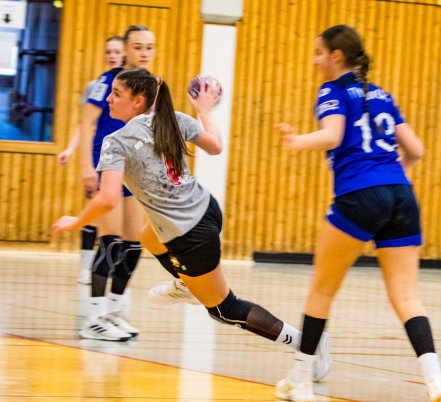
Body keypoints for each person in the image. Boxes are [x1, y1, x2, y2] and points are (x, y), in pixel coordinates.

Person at [52, 67, 331, 380]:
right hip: (207, 210)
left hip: (190, 237)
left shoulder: (116, 142)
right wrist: (205, 112)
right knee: (148, 236)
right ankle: (185, 284)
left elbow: (107, 199)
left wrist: (76, 221)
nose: (108, 99)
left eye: (116, 94)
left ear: (138, 101)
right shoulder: (173, 119)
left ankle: (307, 343)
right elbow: (215, 146)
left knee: (225, 309)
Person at [273, 24, 441, 402]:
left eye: (319, 53)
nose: (315, 61)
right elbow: (416, 149)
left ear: (336, 56)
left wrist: (296, 141)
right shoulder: (382, 94)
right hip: (401, 195)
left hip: (360, 195)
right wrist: (394, 177)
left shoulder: (332, 90)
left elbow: (332, 135)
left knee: (322, 291)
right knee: (407, 296)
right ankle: (437, 382)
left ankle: (302, 381)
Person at [76, 25, 155, 341]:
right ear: (126, 50)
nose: (144, 53)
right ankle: (93, 318)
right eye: (138, 47)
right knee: (110, 243)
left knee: (133, 246)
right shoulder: (108, 81)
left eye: (149, 47)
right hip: (106, 165)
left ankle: (113, 311)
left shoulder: (152, 85)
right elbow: (86, 123)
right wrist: (86, 166)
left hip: (133, 170)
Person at [58, 35, 125, 285]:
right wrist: (71, 149)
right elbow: (85, 122)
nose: (112, 55)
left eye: (116, 51)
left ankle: (110, 270)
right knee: (95, 213)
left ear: (124, 54)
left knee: (114, 221)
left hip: (124, 159)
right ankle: (87, 268)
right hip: (101, 156)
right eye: (108, 51)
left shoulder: (130, 84)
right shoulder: (97, 85)